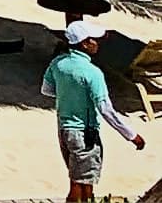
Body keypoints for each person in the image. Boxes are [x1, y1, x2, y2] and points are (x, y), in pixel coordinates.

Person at [45, 16, 145, 201]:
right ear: (84, 43)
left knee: (81, 180)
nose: (97, 43)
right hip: (85, 134)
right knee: (79, 183)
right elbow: (106, 109)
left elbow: (48, 90)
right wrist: (131, 135)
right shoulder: (93, 73)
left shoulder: (57, 64)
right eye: (94, 39)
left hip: (64, 130)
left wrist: (72, 95)